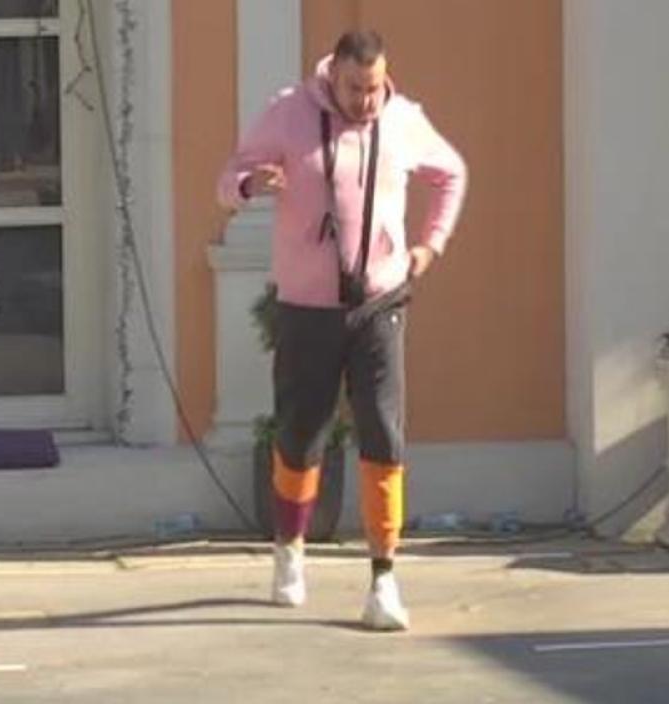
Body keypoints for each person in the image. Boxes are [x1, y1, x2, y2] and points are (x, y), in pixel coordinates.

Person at [217, 29, 467, 631]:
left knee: (383, 431)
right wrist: (252, 185)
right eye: (355, 88)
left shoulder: (403, 120)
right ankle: (289, 548)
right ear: (334, 76)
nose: (365, 100)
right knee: (301, 435)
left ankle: (384, 578)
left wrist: (430, 246)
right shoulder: (288, 112)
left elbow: (452, 174)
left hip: (380, 301)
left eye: (374, 87)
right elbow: (227, 181)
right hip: (306, 308)